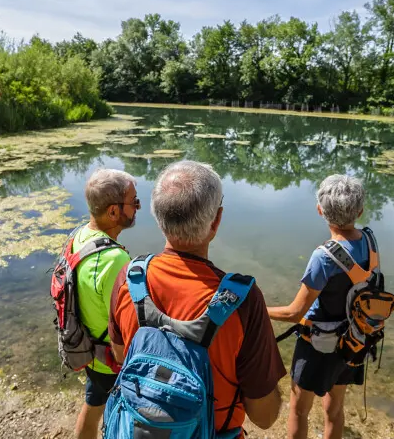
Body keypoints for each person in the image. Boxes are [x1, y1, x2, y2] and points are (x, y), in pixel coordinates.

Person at [108, 160, 286, 436]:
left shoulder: (129, 278)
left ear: (158, 218)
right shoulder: (241, 301)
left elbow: (121, 354)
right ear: (216, 220)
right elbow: (264, 416)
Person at [267, 174, 371, 439]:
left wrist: (258, 309)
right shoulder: (370, 242)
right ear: (359, 211)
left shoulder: (324, 257)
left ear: (320, 210)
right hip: (355, 340)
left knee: (299, 411)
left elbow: (295, 313)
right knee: (335, 409)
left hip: (318, 344)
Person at [73, 168, 139, 439]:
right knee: (123, 415)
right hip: (111, 358)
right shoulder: (115, 261)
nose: (138, 207)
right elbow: (131, 321)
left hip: (88, 347)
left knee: (93, 402)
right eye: (134, 202)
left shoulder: (81, 237)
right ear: (113, 212)